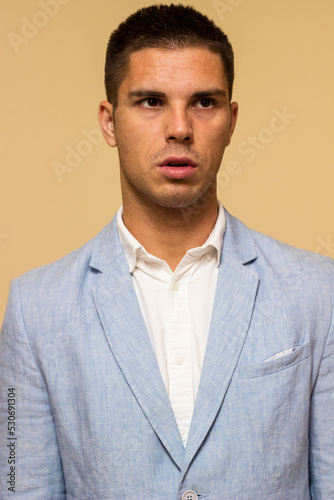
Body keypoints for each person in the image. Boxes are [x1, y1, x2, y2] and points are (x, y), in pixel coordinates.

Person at [0, 4, 333, 499]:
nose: (179, 128)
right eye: (151, 101)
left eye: (203, 102)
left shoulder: (318, 290)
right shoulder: (35, 309)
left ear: (232, 120)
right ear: (109, 122)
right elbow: (20, 482)